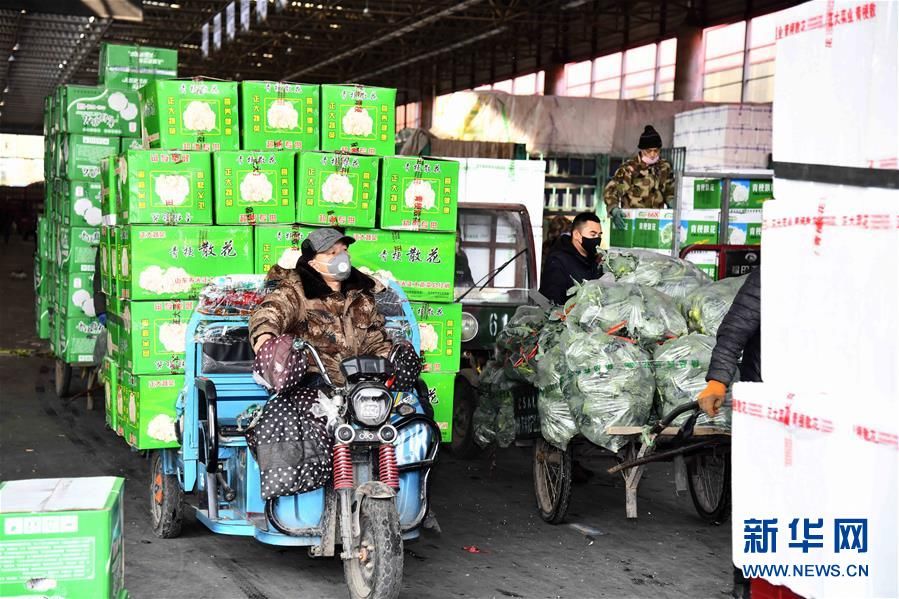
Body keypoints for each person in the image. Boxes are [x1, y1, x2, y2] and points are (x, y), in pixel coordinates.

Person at [248, 227, 421, 499]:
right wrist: (266, 341)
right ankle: (301, 498)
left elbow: (375, 339)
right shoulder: (296, 292)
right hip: (316, 382)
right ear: (313, 260)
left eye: (343, 250)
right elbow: (268, 315)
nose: (341, 257)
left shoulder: (360, 295)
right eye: (331, 253)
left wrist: (391, 356)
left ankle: (414, 495)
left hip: (359, 385)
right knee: (288, 419)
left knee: (414, 413)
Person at [696, 268, 760, 599]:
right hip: (769, 405)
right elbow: (735, 330)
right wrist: (717, 380)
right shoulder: (773, 274)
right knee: (759, 498)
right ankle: (746, 580)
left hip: (825, 408)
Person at [603, 125, 675, 230]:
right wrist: (614, 209)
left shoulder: (664, 167)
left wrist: (671, 202)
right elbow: (613, 190)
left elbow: (669, 191)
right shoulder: (629, 169)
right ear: (641, 150)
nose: (653, 154)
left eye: (656, 150)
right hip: (632, 222)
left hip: (656, 223)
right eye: (649, 151)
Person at [538, 211, 602, 305]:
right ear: (576, 235)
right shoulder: (558, 261)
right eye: (593, 234)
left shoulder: (593, 259)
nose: (597, 239)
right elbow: (552, 305)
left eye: (599, 235)